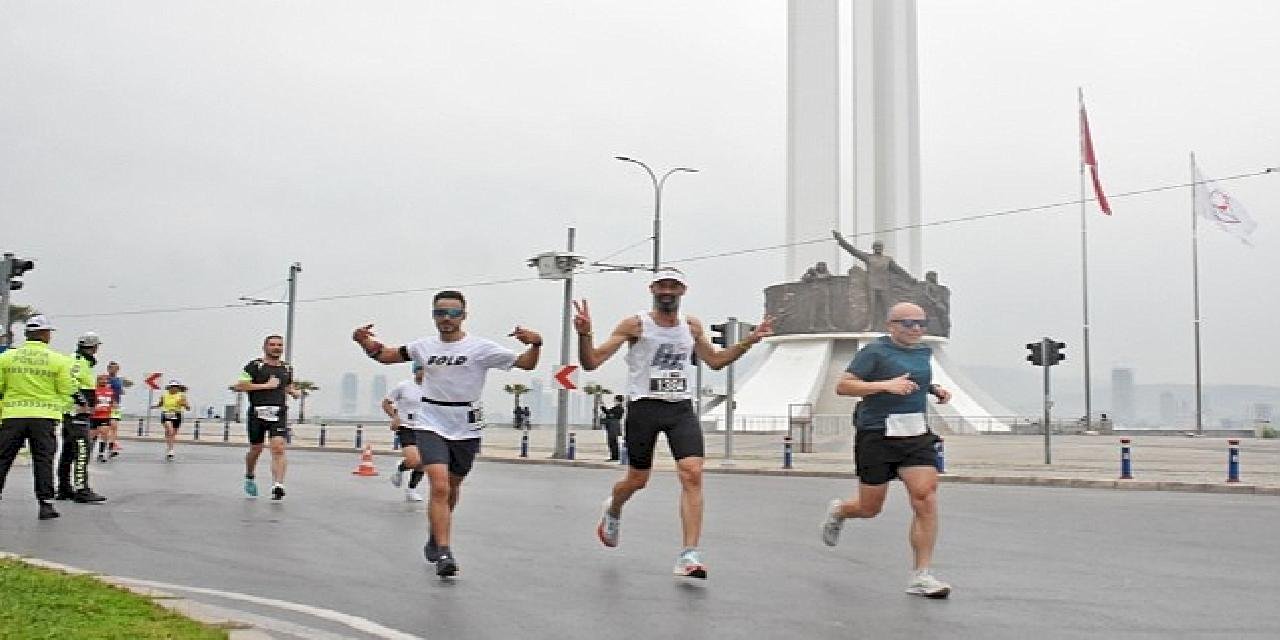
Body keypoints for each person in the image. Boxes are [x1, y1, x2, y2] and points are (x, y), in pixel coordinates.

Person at [573, 268, 773, 579]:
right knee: (638, 480)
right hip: (644, 408)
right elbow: (592, 362)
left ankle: (688, 554)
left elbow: (716, 362)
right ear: (652, 289)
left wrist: (750, 341)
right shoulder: (635, 324)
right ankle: (613, 508)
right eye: (662, 286)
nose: (668, 291)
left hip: (680, 407)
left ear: (683, 290)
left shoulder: (691, 326)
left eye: (674, 286)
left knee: (693, 474)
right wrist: (584, 334)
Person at [352, 290, 542, 578]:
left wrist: (536, 344)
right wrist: (364, 342)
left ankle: (435, 533)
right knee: (438, 486)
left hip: (466, 424)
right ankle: (444, 551)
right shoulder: (423, 346)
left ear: (464, 316)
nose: (446, 319)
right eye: (440, 313)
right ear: (433, 316)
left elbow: (526, 364)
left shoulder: (481, 348)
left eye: (453, 313)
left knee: (452, 488)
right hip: (431, 421)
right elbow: (387, 356)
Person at [820, 302, 953, 598]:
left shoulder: (923, 352)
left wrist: (935, 390)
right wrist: (885, 385)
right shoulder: (873, 352)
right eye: (908, 323)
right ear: (891, 325)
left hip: (915, 433)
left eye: (922, 323)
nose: (916, 328)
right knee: (869, 508)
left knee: (925, 498)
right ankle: (841, 510)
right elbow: (843, 386)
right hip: (877, 434)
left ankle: (921, 575)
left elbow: (919, 380)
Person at [0, 315, 76, 520]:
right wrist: (57, 409)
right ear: (44, 334)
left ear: (27, 334)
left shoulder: (7, 357)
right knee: (43, 460)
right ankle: (45, 504)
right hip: (44, 417)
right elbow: (67, 390)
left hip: (12, 415)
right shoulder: (59, 360)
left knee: (3, 458)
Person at [234, 335, 300, 500]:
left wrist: (293, 391)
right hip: (257, 413)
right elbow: (240, 385)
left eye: (279, 345)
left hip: (278, 413)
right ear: (265, 347)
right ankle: (249, 475)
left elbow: (287, 384)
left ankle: (278, 485)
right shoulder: (255, 366)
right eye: (272, 345)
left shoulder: (287, 368)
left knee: (278, 447)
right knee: (256, 449)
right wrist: (265, 386)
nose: (276, 347)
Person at [58, 332, 106, 504]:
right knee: (82, 450)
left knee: (68, 451)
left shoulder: (81, 361)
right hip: (76, 413)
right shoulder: (78, 361)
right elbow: (70, 382)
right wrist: (82, 401)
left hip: (73, 412)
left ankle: (64, 488)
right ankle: (81, 489)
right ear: (92, 347)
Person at [383, 362, 427, 502]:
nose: (425, 373)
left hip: (426, 428)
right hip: (406, 427)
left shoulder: (434, 389)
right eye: (422, 369)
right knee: (414, 460)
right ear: (416, 371)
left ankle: (411, 489)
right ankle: (400, 467)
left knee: (423, 462)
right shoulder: (404, 386)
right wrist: (395, 417)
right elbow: (386, 403)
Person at [155, 380, 191, 460]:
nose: (173, 388)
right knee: (169, 430)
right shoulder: (164, 395)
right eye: (172, 387)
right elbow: (160, 404)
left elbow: (188, 407)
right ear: (169, 387)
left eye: (175, 387)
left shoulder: (181, 396)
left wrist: (184, 404)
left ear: (178, 388)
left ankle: (170, 448)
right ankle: (170, 448)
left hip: (177, 414)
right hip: (166, 413)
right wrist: (155, 406)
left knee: (173, 434)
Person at [97, 361, 125, 461]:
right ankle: (102, 449)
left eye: (115, 368)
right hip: (104, 406)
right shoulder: (104, 379)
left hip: (115, 406)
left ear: (118, 369)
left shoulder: (119, 380)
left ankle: (111, 447)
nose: (113, 370)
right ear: (108, 369)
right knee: (105, 429)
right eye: (111, 368)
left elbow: (120, 391)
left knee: (114, 426)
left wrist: (120, 392)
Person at [90, 374, 116, 462]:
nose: (104, 381)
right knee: (92, 435)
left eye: (106, 380)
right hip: (94, 416)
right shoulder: (93, 390)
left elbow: (112, 402)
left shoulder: (110, 391)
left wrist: (113, 407)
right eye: (102, 380)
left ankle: (101, 453)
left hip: (105, 416)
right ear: (98, 381)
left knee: (104, 433)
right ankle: (89, 452)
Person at [601, 395, 625, 461]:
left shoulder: (619, 408)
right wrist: (603, 407)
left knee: (613, 442)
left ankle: (615, 457)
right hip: (612, 426)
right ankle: (613, 456)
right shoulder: (616, 408)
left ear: (618, 401)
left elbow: (609, 413)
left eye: (615, 400)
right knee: (611, 442)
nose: (615, 401)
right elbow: (608, 412)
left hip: (613, 426)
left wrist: (604, 408)